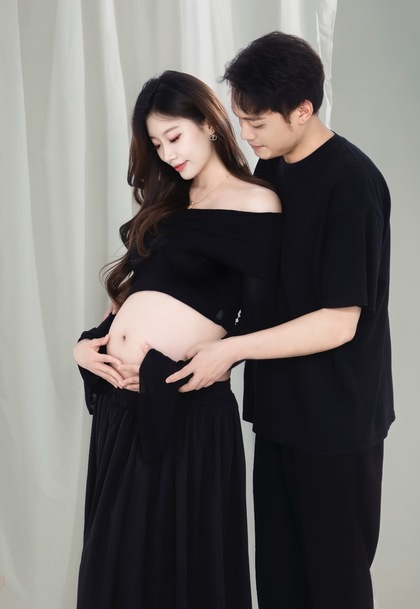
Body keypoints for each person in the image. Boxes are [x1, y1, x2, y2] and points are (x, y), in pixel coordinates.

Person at [166, 32, 395, 609]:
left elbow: (339, 323)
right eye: (240, 119)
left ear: (303, 110)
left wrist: (231, 350)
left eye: (257, 122)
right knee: (279, 585)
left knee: (335, 587)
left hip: (337, 422)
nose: (246, 135)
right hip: (278, 415)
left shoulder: (353, 184)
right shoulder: (270, 170)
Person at [72, 70, 281, 609]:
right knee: (113, 571)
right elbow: (131, 301)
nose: (166, 154)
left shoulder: (256, 203)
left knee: (174, 571)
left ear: (209, 123)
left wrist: (222, 358)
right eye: (156, 144)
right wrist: (87, 346)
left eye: (174, 136)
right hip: (121, 403)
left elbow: (263, 317)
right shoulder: (169, 203)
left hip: (184, 407)